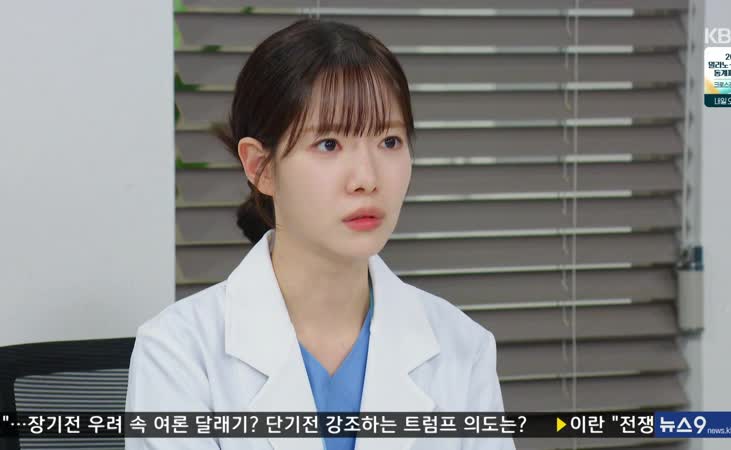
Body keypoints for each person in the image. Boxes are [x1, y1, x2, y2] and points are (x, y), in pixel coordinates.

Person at [125, 18, 515, 450]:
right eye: (329, 144)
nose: (366, 179)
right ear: (260, 167)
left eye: (389, 141)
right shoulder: (178, 353)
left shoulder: (463, 348)